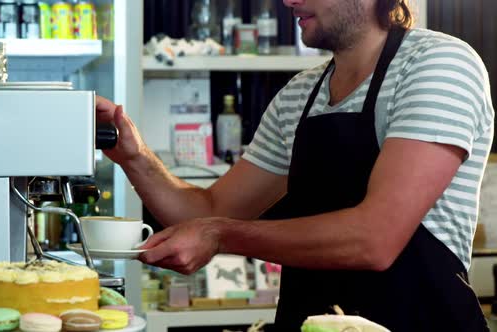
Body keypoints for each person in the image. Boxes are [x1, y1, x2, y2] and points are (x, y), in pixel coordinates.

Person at [96, 0, 495, 330]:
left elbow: (375, 239)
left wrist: (218, 235)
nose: (288, 0)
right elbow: (207, 211)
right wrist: (134, 155)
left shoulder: (438, 64)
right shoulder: (299, 94)